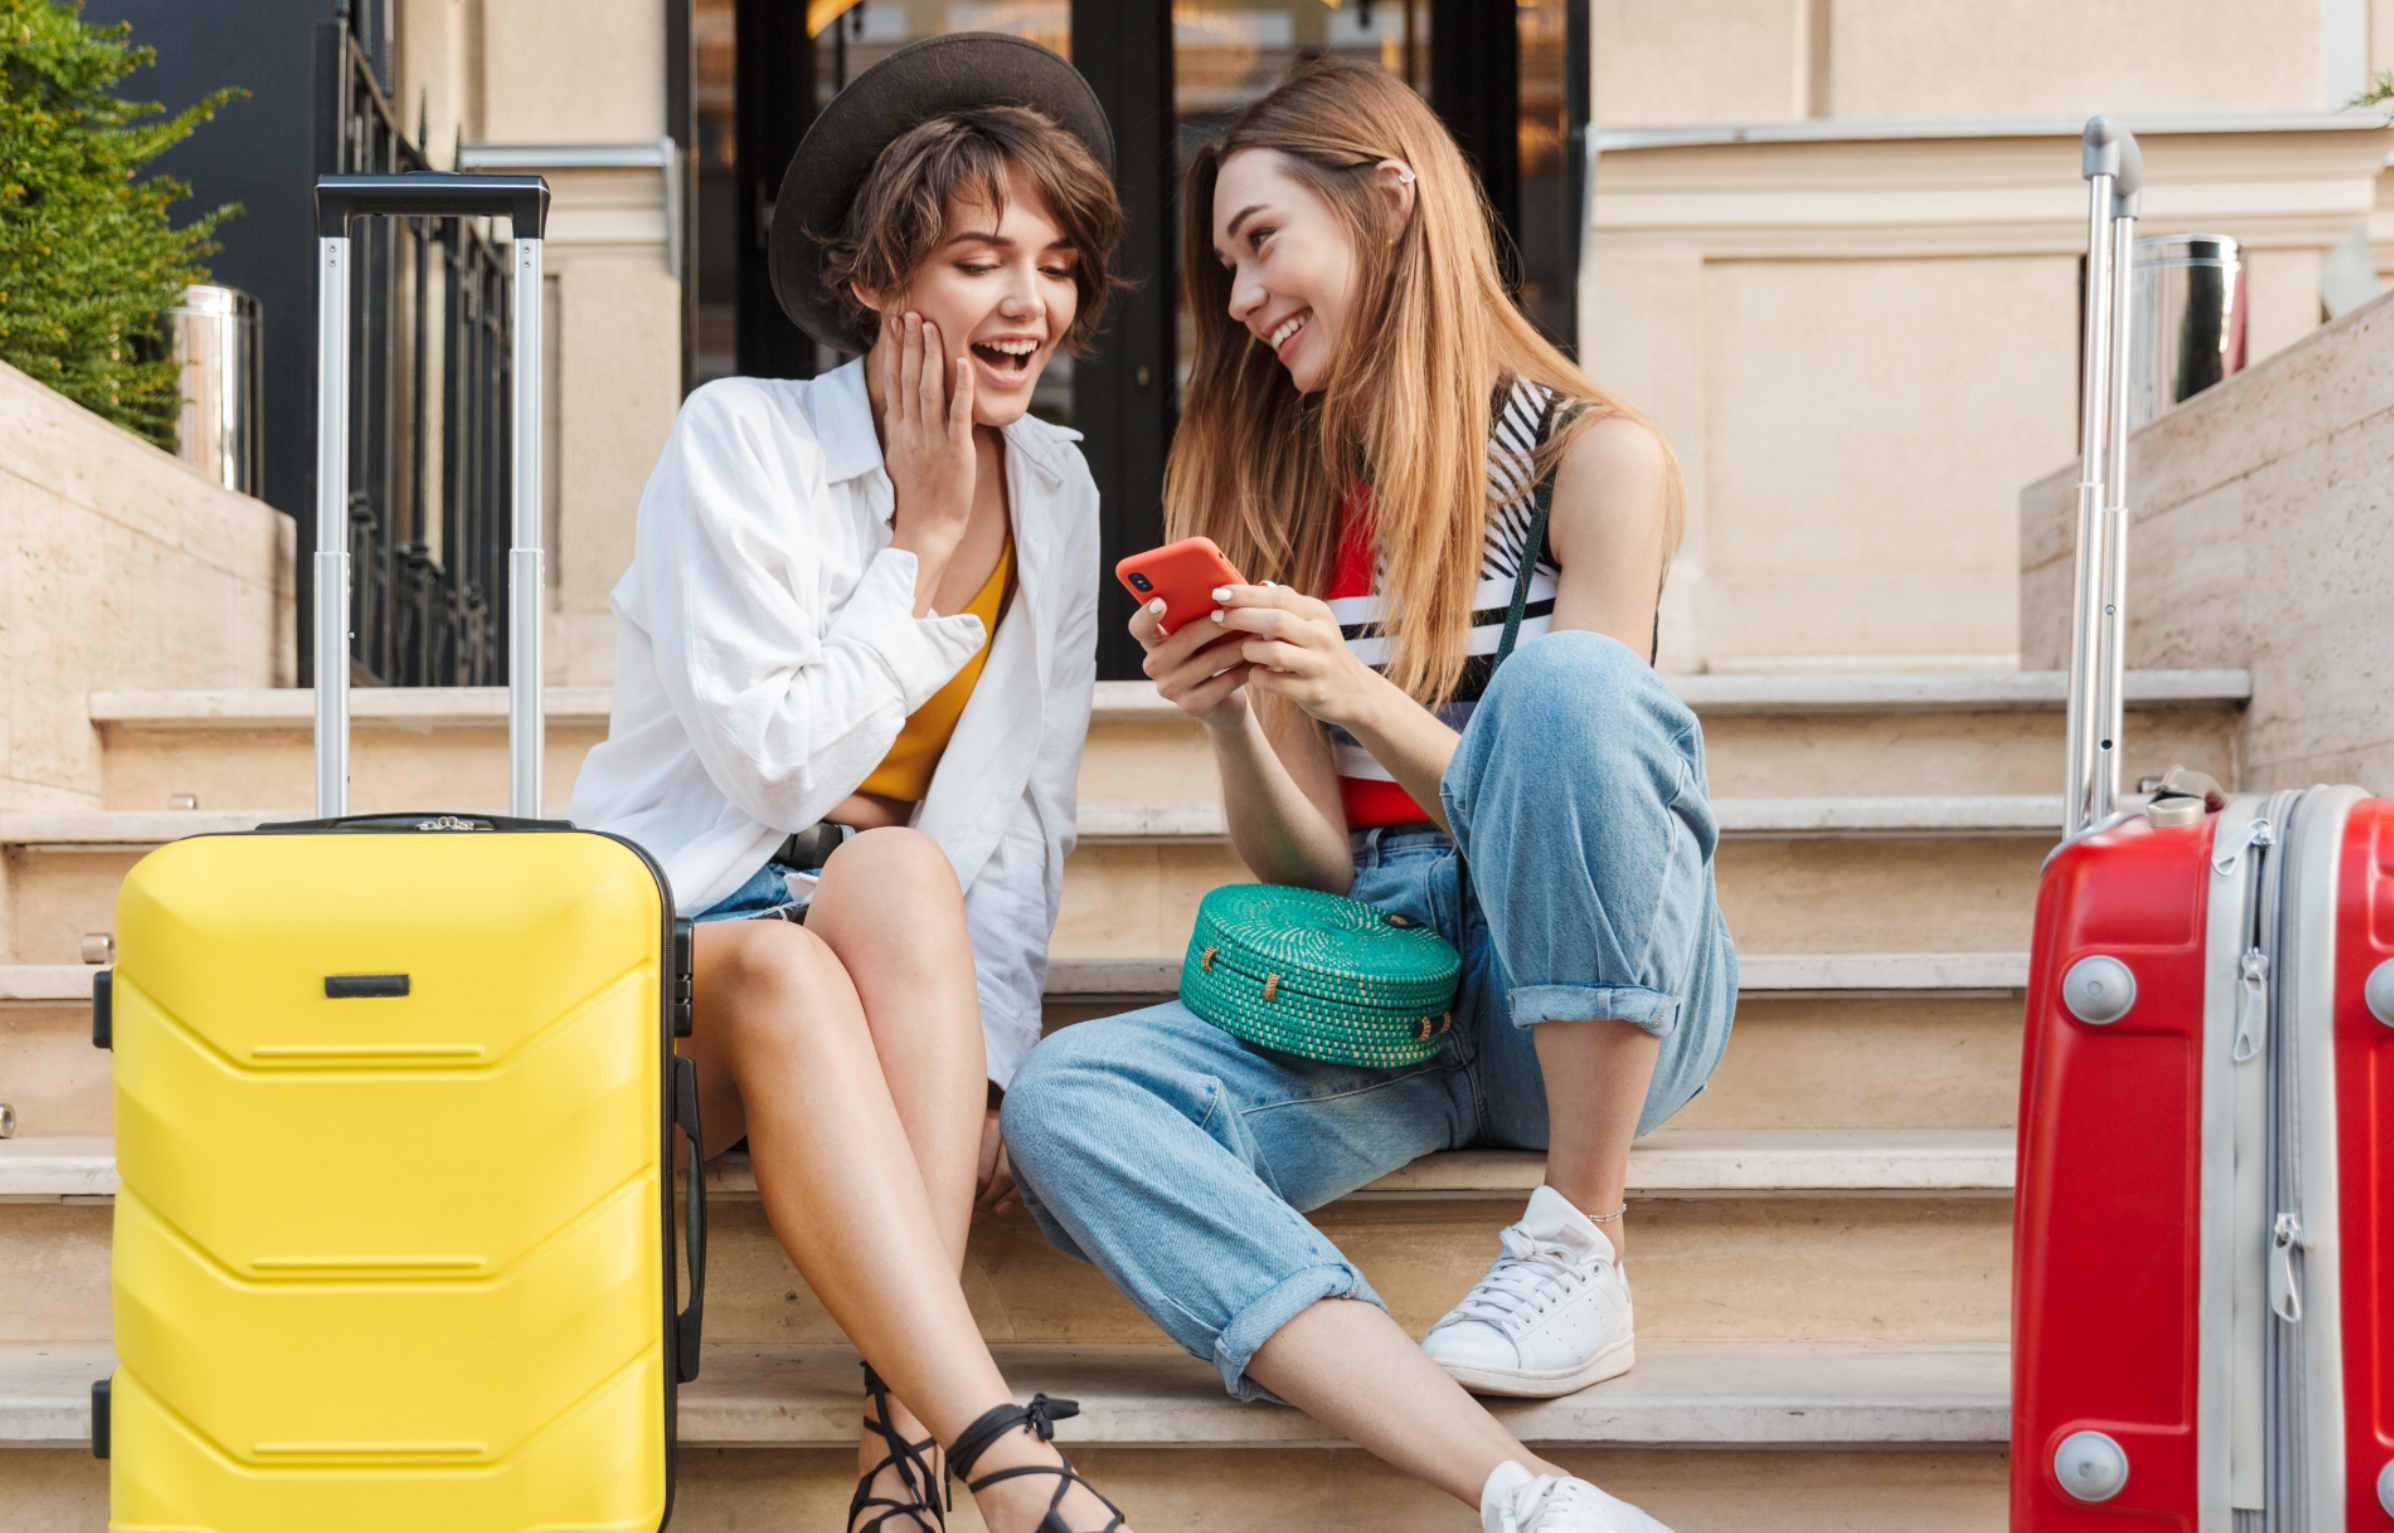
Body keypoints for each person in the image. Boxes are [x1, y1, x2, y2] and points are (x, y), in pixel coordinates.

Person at [1000, 58, 1737, 1533]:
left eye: (1262, 240)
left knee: (1561, 691)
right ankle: (1509, 1484)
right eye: (1227, 266)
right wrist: (1234, 719)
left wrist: (1359, 700)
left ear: (1387, 204)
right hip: (1388, 990)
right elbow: (1318, 870)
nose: (1246, 296)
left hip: (1590, 987)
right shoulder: (1289, 501)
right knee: (1070, 1099)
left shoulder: (1600, 462)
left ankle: (1579, 1238)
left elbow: (1566, 795)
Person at [566, 34, 1133, 1533]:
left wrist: (993, 1055)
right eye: (979, 260)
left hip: (890, 935)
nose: (1032, 303)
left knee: (898, 872)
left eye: (1059, 265)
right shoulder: (738, 442)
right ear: (880, 281)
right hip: (675, 938)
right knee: (791, 970)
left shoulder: (1061, 492)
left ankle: (900, 1452)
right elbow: (775, 760)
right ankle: (1010, 1467)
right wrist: (919, 553)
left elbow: (1028, 812)